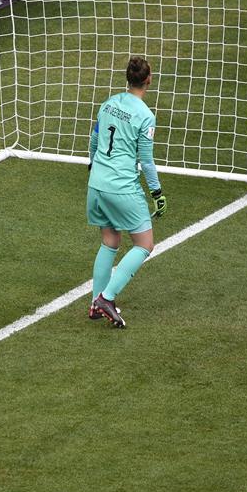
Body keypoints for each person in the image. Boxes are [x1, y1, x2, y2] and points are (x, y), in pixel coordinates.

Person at [86, 56, 167, 328]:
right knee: (145, 244)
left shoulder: (108, 103)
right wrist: (157, 192)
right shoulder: (145, 115)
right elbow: (146, 160)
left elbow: (95, 140)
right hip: (121, 186)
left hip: (97, 183)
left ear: (128, 78)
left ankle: (95, 303)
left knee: (109, 241)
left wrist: (93, 167)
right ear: (148, 80)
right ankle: (106, 298)